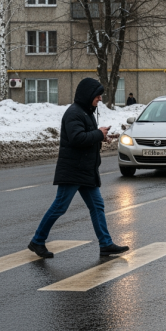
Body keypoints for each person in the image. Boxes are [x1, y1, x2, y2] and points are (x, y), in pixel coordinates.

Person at [28, 78, 130, 258]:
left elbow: (86, 136)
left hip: (85, 171)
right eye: (97, 96)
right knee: (60, 206)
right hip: (73, 170)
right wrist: (98, 134)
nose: (99, 99)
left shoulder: (85, 112)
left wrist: (101, 137)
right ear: (88, 95)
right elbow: (77, 138)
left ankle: (105, 244)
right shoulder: (74, 113)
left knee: (97, 206)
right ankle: (37, 240)